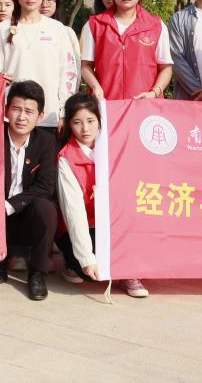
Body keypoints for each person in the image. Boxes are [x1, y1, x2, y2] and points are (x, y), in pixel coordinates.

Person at [56, 93, 150, 297]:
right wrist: (86, 259)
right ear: (69, 125)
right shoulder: (66, 159)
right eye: (77, 122)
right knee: (93, 272)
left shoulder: (114, 147)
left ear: (99, 120)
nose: (85, 129)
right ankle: (73, 262)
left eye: (90, 121)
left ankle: (128, 272)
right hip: (85, 227)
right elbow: (73, 214)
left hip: (114, 223)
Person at [0, 81, 58, 300]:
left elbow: (45, 186)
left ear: (40, 116)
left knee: (46, 209)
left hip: (24, 213)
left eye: (29, 111)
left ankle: (37, 274)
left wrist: (10, 205)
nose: (21, 117)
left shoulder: (46, 141)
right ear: (6, 110)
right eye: (16, 109)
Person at [0, 0, 80, 132]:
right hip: (12, 116)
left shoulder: (57, 29)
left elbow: (68, 73)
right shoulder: (3, 28)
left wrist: (64, 112)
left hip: (49, 116)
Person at [80, 0, 172, 101]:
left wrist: (154, 93)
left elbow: (166, 68)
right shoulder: (95, 25)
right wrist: (96, 87)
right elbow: (86, 66)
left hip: (145, 105)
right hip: (107, 104)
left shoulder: (156, 26)